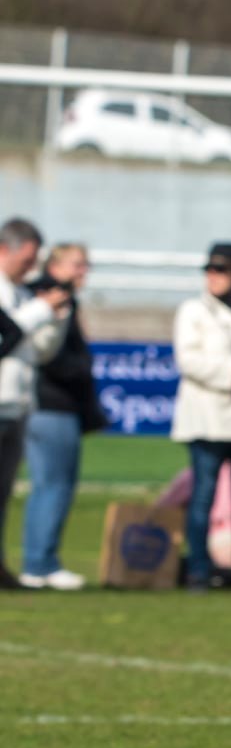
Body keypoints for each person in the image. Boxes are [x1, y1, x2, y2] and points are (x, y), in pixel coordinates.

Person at [172, 242, 231, 592]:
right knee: (203, 496)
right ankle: (198, 569)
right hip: (207, 416)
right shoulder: (193, 311)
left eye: (222, 270)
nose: (214, 276)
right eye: (210, 269)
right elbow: (189, 361)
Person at [22, 244, 100, 590]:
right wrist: (78, 371)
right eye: (77, 264)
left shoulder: (65, 298)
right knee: (52, 485)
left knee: (57, 484)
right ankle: (39, 563)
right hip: (49, 403)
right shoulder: (46, 296)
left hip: (58, 403)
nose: (83, 271)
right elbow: (42, 352)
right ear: (55, 265)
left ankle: (43, 560)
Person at [0, 217, 70, 591]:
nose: (31, 268)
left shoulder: (23, 295)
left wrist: (57, 318)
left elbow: (38, 352)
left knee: (3, 493)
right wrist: (40, 311)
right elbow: (4, 337)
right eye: (26, 259)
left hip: (17, 404)